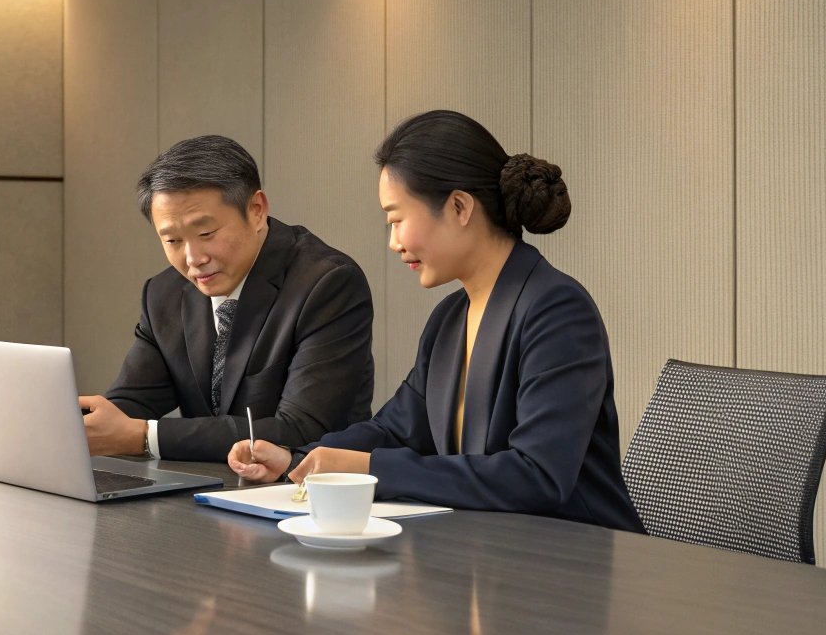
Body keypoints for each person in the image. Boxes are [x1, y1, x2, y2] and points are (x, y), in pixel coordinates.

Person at [229, 110, 642, 532]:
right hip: (488, 554)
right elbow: (395, 429)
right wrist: (298, 458)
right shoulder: (450, 318)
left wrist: (372, 468)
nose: (393, 242)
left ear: (459, 206)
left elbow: (537, 476)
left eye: (396, 219)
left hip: (572, 562)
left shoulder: (558, 310)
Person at [80, 135, 375, 463]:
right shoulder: (163, 293)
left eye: (206, 234)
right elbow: (128, 407)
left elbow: (301, 429)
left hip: (302, 494)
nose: (193, 258)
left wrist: (144, 437)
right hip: (198, 492)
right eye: (173, 240)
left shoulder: (326, 283)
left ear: (257, 210)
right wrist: (78, 424)